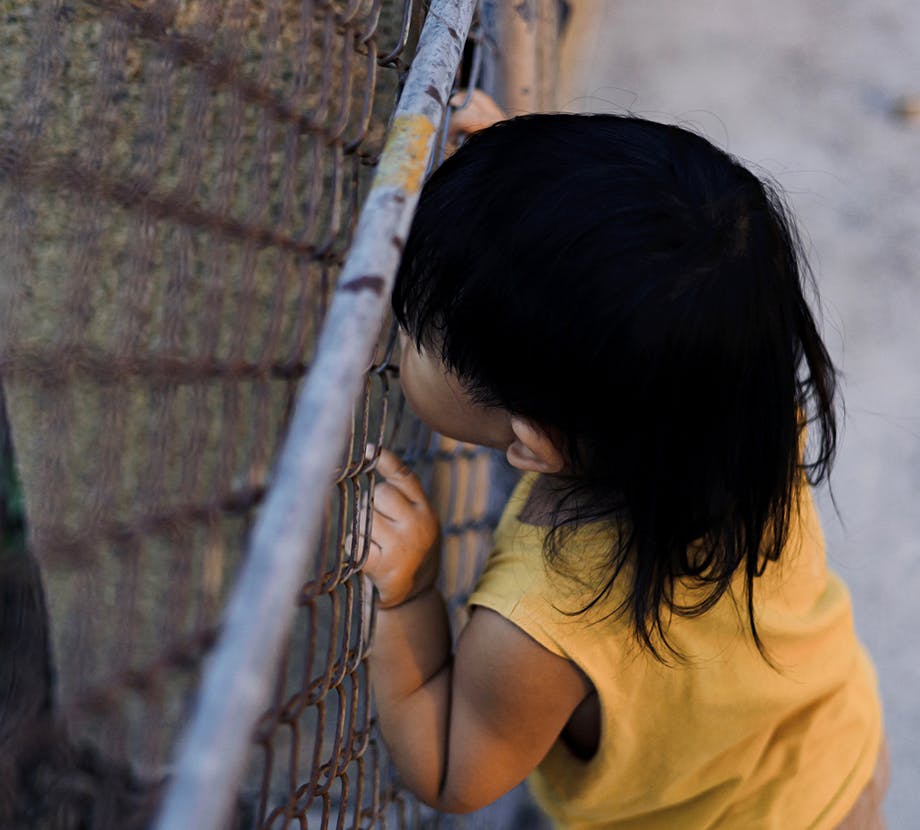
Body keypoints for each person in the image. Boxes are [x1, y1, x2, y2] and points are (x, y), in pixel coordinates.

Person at [361, 98, 886, 828]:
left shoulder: (544, 620)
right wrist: (538, 201)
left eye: (416, 331)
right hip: (838, 751)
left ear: (533, 442)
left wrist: (410, 595)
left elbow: (455, 770)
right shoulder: (741, 402)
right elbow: (637, 301)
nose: (399, 333)